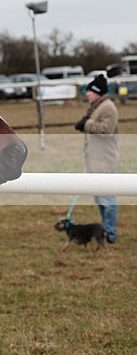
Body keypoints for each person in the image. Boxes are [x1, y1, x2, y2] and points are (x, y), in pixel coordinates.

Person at [75, 74, 119, 243]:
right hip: (94, 159)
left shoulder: (108, 107)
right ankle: (105, 231)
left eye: (90, 91)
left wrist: (86, 125)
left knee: (107, 197)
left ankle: (110, 233)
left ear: (97, 92)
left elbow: (106, 129)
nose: (87, 94)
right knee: (99, 196)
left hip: (104, 159)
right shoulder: (96, 107)